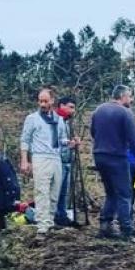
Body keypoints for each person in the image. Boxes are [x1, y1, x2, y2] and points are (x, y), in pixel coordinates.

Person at [90, 84, 135, 241]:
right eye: (130, 96)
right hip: (117, 157)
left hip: (99, 156)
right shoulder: (125, 112)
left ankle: (105, 225)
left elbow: (93, 132)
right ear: (123, 96)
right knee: (124, 194)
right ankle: (126, 230)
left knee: (111, 192)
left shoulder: (98, 110)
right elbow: (134, 139)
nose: (131, 100)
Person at [19, 88, 75, 237]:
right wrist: (24, 160)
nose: (42, 104)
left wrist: (69, 143)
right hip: (40, 157)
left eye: (45, 101)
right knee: (42, 191)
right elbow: (25, 140)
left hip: (55, 157)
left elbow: (61, 139)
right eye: (40, 101)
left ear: (52, 101)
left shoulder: (59, 120)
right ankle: (42, 226)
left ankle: (49, 222)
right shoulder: (32, 119)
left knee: (54, 192)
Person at [53, 96, 78, 227]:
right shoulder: (55, 120)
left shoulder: (67, 122)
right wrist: (68, 143)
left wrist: (72, 143)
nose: (73, 110)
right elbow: (55, 140)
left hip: (67, 160)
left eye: (74, 108)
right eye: (70, 107)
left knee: (64, 191)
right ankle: (53, 216)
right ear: (62, 106)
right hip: (58, 160)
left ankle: (61, 216)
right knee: (56, 190)